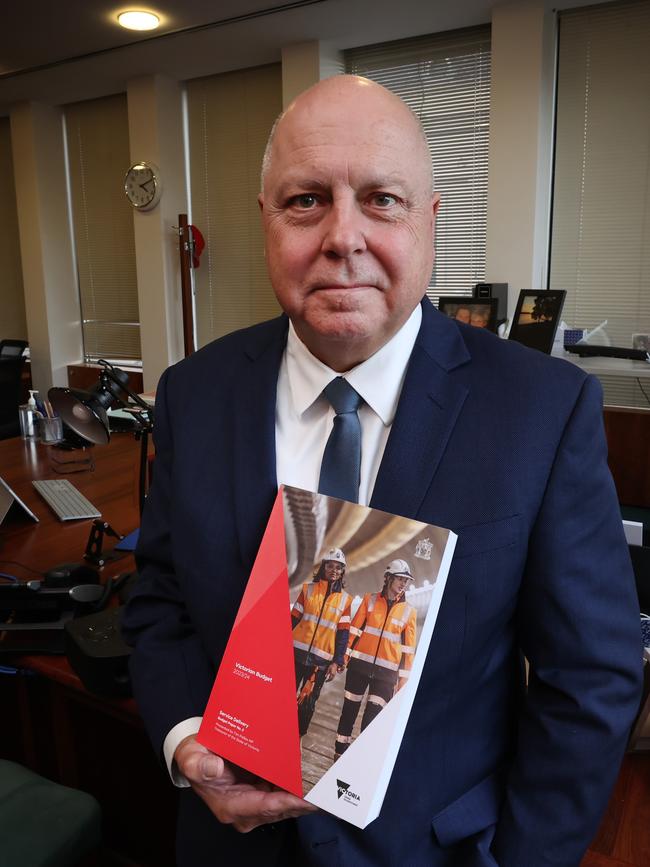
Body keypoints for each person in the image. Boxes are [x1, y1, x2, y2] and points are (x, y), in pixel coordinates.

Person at [121, 74, 642, 867]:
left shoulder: (544, 409)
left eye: (381, 199)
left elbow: (592, 679)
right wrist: (187, 738)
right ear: (266, 221)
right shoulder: (193, 394)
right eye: (306, 200)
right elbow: (159, 598)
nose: (343, 235)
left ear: (430, 221)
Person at [335, 559, 417, 755]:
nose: (403, 584)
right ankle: (339, 754)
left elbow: (408, 651)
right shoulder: (369, 600)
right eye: (399, 579)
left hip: (386, 675)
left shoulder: (409, 612)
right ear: (388, 578)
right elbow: (353, 632)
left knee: (371, 721)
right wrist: (342, 659)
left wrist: (402, 684)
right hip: (359, 668)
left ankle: (358, 758)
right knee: (349, 712)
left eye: (406, 581)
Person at [291, 547, 351, 736]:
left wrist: (336, 662)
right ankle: (275, 731)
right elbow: (293, 619)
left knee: (308, 702)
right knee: (283, 697)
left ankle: (296, 739)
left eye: (338, 567)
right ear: (323, 567)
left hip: (320, 662)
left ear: (342, 571)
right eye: (330, 566)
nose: (334, 570)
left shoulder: (345, 600)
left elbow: (343, 635)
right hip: (295, 654)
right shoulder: (308, 589)